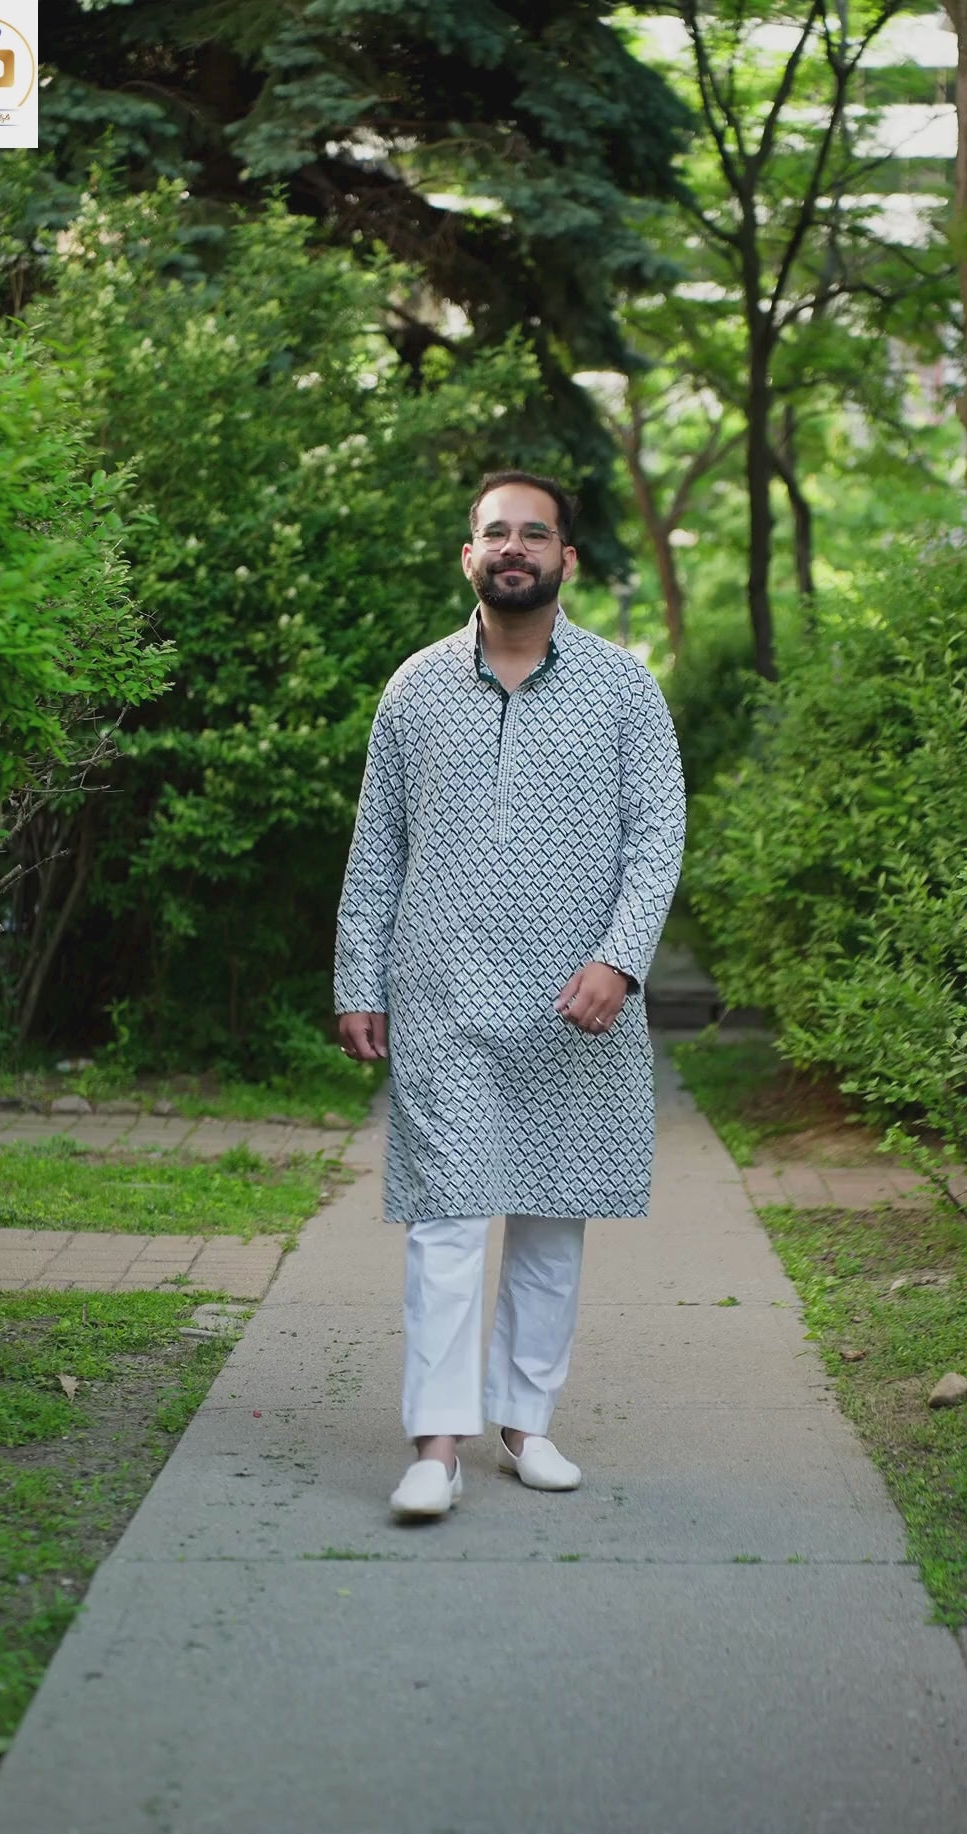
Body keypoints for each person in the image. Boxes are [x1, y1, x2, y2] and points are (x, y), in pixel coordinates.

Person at [334, 470, 685, 1520]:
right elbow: (377, 847)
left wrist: (620, 960)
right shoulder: (414, 688)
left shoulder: (624, 688)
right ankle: (436, 1447)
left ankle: (527, 1425)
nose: (515, 547)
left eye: (535, 533)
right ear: (470, 556)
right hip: (441, 996)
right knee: (444, 1220)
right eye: (497, 533)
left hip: (577, 1006)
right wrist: (358, 977)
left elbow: (657, 836)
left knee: (550, 1220)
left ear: (566, 557)